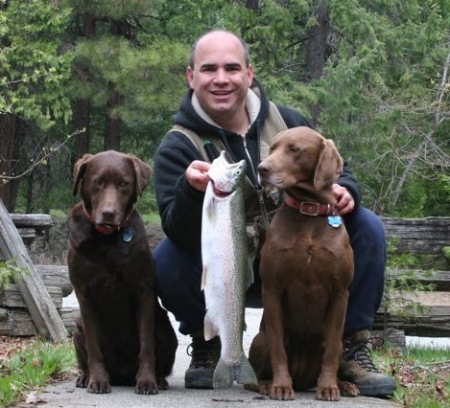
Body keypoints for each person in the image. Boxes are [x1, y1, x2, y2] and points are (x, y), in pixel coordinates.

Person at [153, 29, 396, 397]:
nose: (221, 79)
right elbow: (176, 229)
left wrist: (349, 191)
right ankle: (212, 344)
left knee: (367, 227)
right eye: (209, 69)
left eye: (232, 68)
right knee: (166, 258)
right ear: (191, 76)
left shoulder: (286, 120)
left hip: (298, 254)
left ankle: (351, 348)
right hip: (230, 273)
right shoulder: (178, 145)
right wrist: (190, 191)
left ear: (249, 74)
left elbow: (338, 169)